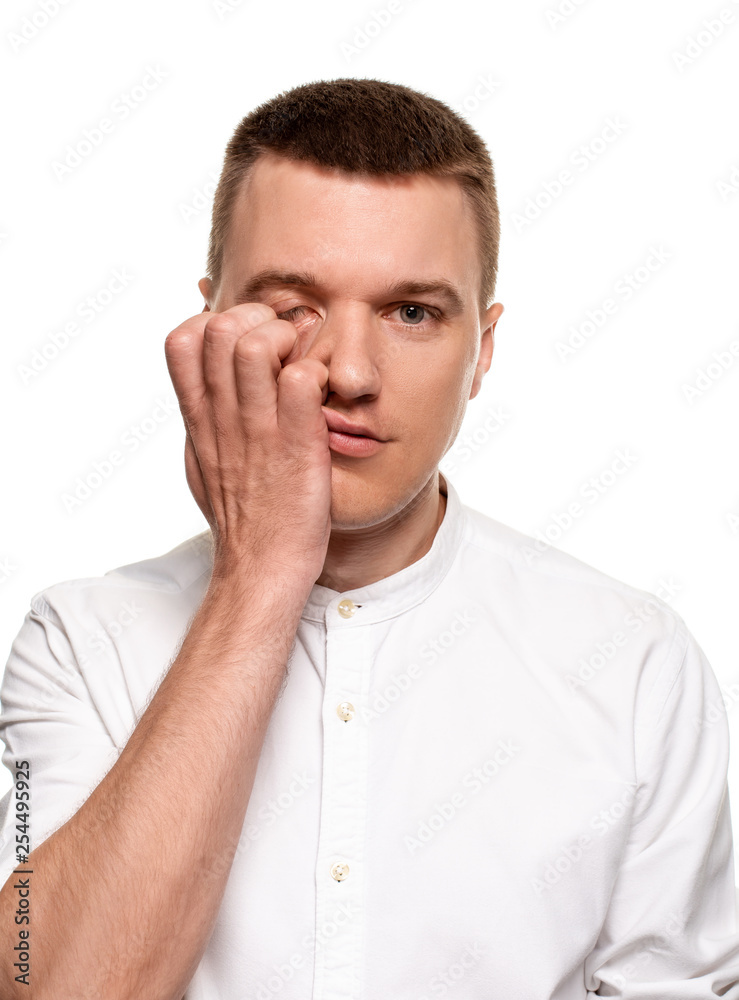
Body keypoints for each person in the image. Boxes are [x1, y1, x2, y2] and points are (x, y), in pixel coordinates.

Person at [0, 77, 737, 1000]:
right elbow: (44, 983)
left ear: (485, 351)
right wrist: (261, 572)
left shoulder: (634, 663)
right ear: (209, 322)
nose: (348, 372)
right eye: (291, 306)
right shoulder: (78, 644)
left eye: (412, 312)